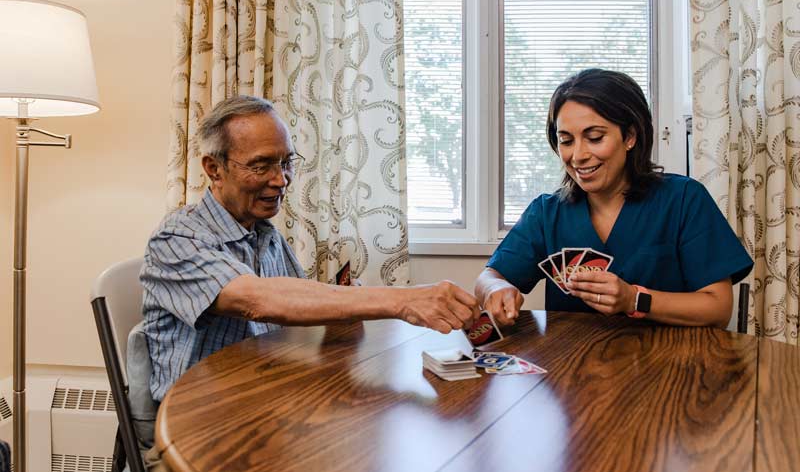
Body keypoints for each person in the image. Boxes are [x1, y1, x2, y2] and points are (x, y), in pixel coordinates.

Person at [135, 96, 479, 468]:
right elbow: (258, 300)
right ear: (213, 169)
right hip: (199, 428)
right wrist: (402, 301)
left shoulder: (265, 235)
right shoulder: (176, 240)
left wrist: (343, 306)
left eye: (286, 163)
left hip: (263, 407)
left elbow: (298, 310)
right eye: (261, 165)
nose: (280, 180)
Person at [476, 69, 753, 328]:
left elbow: (718, 308)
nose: (578, 155)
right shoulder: (547, 213)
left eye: (594, 137)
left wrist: (633, 299)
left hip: (671, 371)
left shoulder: (683, 200)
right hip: (573, 370)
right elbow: (490, 277)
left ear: (630, 136)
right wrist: (496, 289)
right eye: (566, 140)